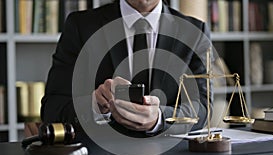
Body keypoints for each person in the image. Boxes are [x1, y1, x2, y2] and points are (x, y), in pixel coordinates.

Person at [40, 0, 212, 139]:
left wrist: (160, 117)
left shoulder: (195, 33)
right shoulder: (80, 26)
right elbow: (52, 108)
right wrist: (95, 105)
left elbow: (202, 108)